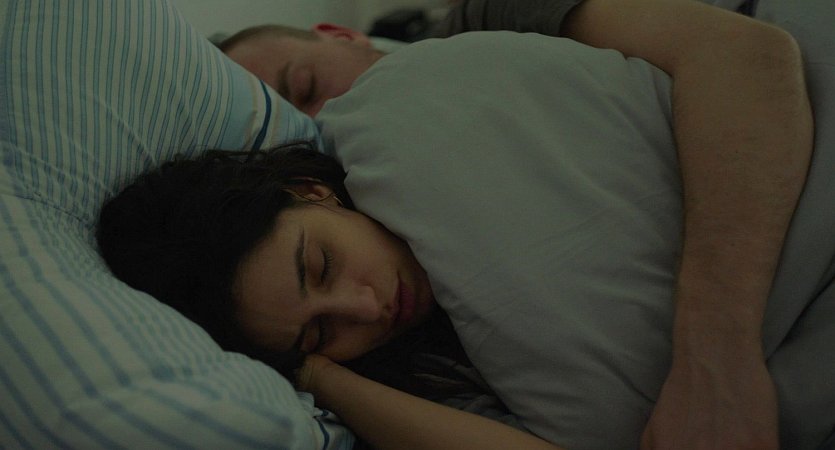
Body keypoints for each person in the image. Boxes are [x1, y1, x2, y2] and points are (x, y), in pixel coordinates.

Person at [101, 0, 813, 449]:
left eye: (307, 91)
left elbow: (742, 52)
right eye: (321, 332)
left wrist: (714, 352)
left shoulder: (480, 24)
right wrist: (314, 370)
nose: (366, 308)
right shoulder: (409, 364)